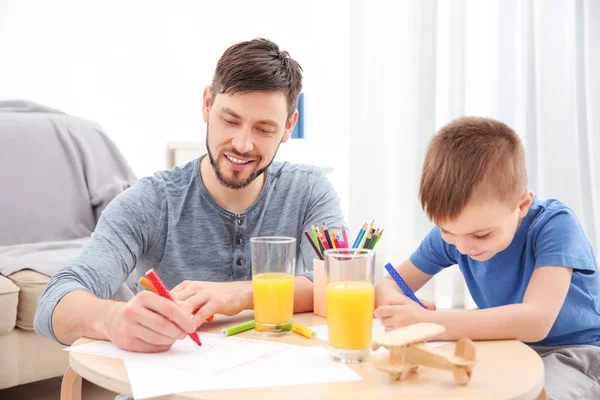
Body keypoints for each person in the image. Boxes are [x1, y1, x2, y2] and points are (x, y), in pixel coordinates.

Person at [34, 38, 344, 354]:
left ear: (289, 126)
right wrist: (111, 318)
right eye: (230, 120)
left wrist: (238, 295)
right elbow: (53, 303)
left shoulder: (309, 191)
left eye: (264, 129)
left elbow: (339, 283)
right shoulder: (150, 202)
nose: (242, 144)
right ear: (208, 104)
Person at [374, 116, 600, 399]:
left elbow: (536, 321)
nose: (464, 247)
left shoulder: (555, 226)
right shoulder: (458, 234)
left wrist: (429, 322)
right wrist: (400, 305)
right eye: (446, 230)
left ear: (522, 204)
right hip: (507, 347)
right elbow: (389, 283)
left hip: (574, 353)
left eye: (481, 235)